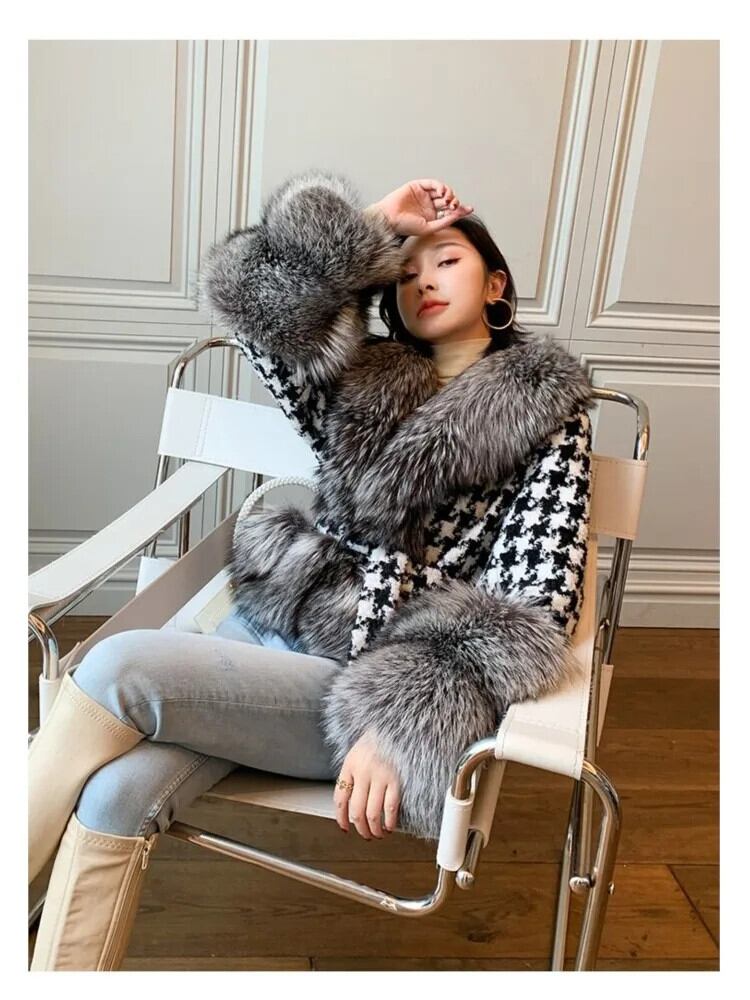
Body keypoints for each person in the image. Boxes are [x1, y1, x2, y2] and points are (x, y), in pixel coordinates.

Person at [28, 170, 595, 970]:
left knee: (115, 666)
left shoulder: (550, 415)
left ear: (495, 283)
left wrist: (401, 719)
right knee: (116, 794)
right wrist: (375, 223)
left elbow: (537, 600)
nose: (424, 280)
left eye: (447, 261)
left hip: (364, 681)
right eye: (405, 271)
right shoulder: (365, 377)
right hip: (271, 622)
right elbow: (258, 311)